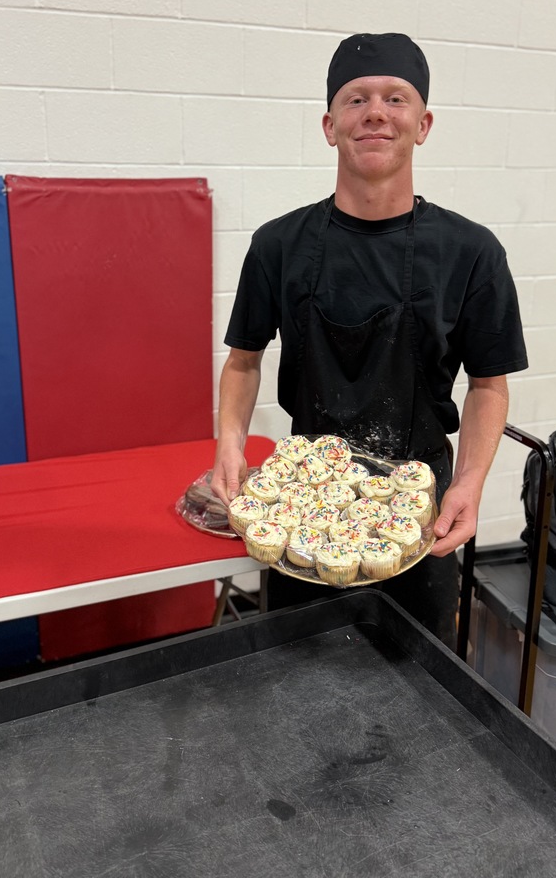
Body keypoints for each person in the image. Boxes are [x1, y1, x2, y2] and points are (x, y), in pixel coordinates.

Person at [210, 32, 528, 647]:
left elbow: (489, 384)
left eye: (395, 98)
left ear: (423, 123)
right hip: (303, 506)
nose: (376, 111)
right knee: (298, 681)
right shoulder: (278, 245)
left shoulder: (471, 252)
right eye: (356, 100)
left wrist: (469, 482)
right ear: (330, 126)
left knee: (418, 690)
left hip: (418, 513)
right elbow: (243, 361)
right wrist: (229, 442)